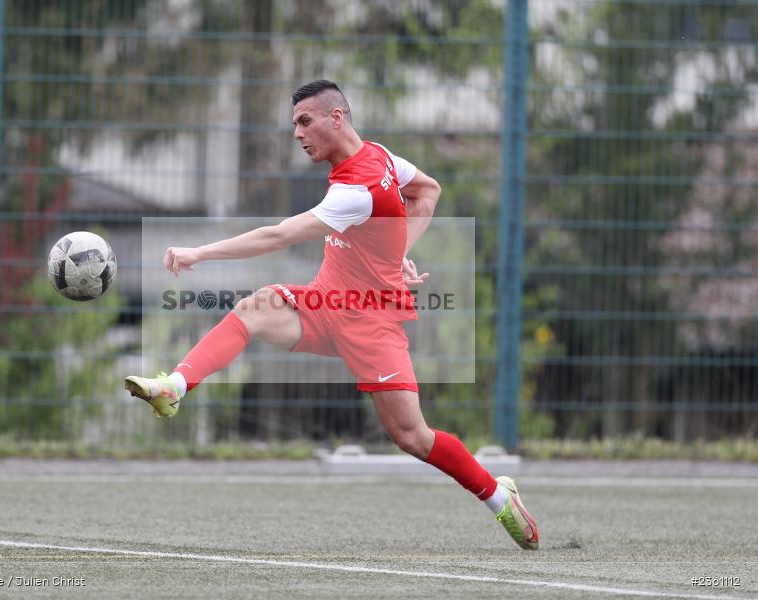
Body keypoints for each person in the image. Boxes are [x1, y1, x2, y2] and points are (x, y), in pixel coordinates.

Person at [125, 80, 539, 550]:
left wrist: (200, 252)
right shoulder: (378, 156)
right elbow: (427, 191)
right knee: (252, 310)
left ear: (335, 118)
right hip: (323, 305)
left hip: (372, 322)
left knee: (412, 436)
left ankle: (497, 495)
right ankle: (173, 388)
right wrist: (395, 252)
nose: (298, 134)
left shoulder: (356, 189)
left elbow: (278, 236)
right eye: (294, 125)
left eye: (305, 121)